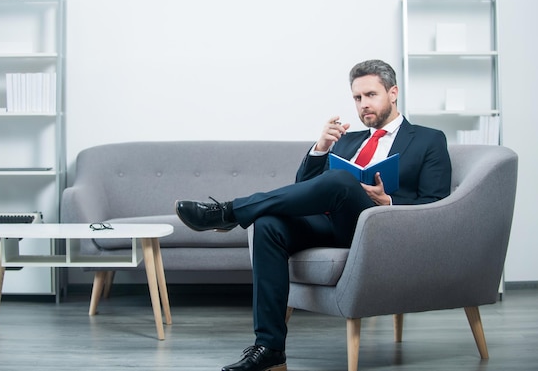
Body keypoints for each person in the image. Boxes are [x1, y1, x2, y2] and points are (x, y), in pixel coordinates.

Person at [175, 59, 452, 371]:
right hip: (332, 223)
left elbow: (436, 203)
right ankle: (269, 348)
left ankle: (228, 211)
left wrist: (387, 200)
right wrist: (321, 147)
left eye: (371, 95)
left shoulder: (429, 139)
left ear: (393, 93)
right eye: (357, 98)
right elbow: (302, 190)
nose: (363, 105)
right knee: (268, 224)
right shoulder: (348, 139)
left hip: (380, 230)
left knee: (342, 180)